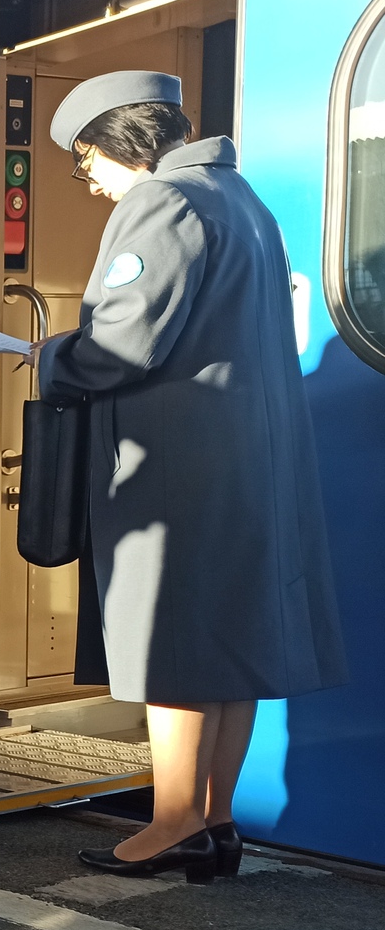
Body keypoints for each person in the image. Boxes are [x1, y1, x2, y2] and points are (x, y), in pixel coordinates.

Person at [32, 70, 346, 880]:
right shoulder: (245, 202)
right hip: (249, 462)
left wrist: (45, 356)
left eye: (88, 159)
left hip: (179, 470)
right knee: (231, 648)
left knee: (175, 645)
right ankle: (213, 819)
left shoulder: (162, 203)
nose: (91, 179)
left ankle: (171, 822)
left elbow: (122, 343)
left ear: (119, 139)